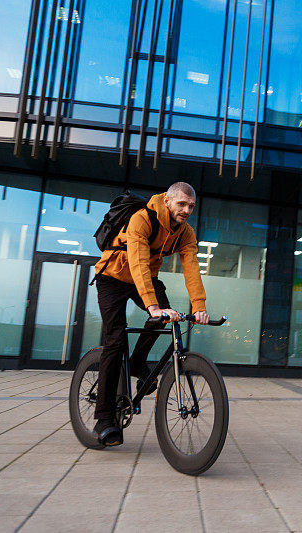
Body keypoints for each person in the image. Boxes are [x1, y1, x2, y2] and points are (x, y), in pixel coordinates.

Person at [92, 181, 210, 446]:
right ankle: (103, 419)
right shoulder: (142, 218)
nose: (187, 210)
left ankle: (137, 362)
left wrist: (199, 306)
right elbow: (138, 262)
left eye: (191, 205)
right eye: (181, 203)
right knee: (116, 341)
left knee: (161, 320)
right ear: (167, 201)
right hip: (112, 277)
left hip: (143, 279)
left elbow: (191, 268)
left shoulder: (186, 232)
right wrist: (153, 306)